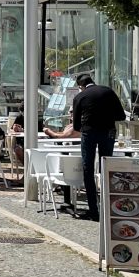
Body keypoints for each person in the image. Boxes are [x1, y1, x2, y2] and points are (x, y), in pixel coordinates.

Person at [44, 73, 125, 221]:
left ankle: (94, 211)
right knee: (107, 167)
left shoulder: (80, 97)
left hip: (89, 133)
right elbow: (121, 116)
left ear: (80, 86)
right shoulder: (108, 91)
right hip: (108, 132)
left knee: (88, 169)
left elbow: (76, 126)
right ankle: (109, 208)